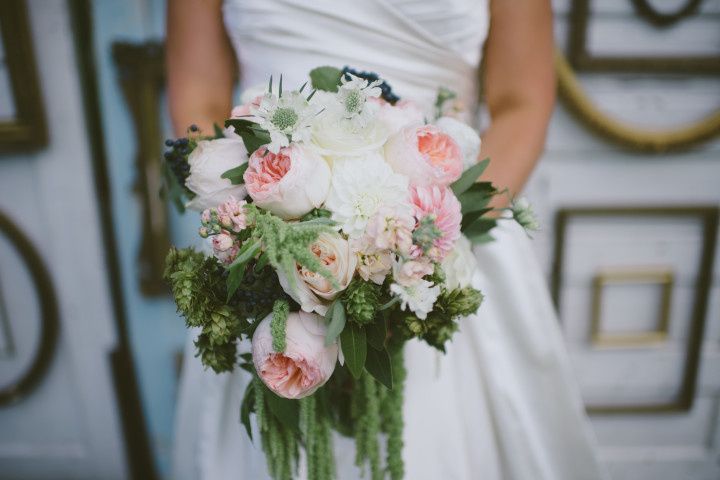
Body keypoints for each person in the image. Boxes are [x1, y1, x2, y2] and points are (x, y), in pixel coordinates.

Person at [167, 1, 609, 479]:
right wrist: (255, 226)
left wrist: (424, 242)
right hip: (263, 233)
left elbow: (521, 101)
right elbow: (199, 93)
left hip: (435, 236)